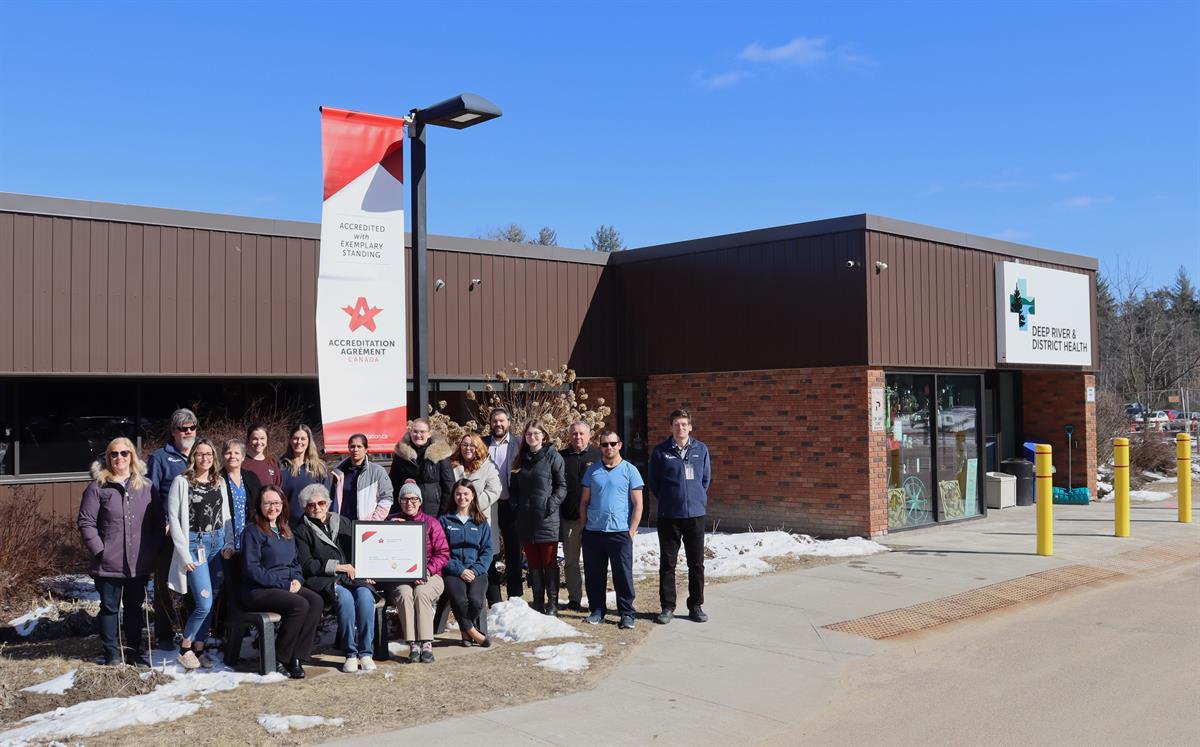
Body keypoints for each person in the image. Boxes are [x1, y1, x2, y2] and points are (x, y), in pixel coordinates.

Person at [77, 437, 159, 666]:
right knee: (110, 608)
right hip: (107, 564)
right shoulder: (97, 488)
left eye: (124, 453)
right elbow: (86, 522)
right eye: (114, 454)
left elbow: (157, 523)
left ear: (132, 456)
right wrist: (99, 551)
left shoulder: (146, 487)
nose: (119, 458)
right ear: (108, 457)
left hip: (138, 563)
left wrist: (150, 552)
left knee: (134, 609)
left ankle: (134, 652)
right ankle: (112, 654)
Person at [293, 484, 378, 673]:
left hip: (351, 576)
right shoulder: (301, 530)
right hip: (323, 579)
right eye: (311, 505)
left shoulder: (343, 522)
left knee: (365, 596)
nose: (317, 508)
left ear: (327, 503)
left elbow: (361, 550)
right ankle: (350, 653)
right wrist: (337, 567)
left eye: (321, 503)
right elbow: (307, 564)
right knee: (345, 599)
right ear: (305, 508)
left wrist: (368, 569)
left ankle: (366, 652)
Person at [241, 485, 323, 679]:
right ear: (259, 505)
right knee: (299, 604)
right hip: (259, 589)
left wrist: (296, 579)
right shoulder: (252, 531)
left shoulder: (285, 529)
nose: (272, 507)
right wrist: (283, 584)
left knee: (316, 601)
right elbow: (252, 568)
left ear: (283, 505)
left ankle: (297, 657)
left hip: (286, 585)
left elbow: (295, 562)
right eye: (267, 503)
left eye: (276, 503)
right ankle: (279, 657)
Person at [166, 438, 234, 668]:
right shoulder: (182, 482)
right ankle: (185, 647)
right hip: (195, 545)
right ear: (193, 457)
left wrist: (229, 542)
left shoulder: (219, 482)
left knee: (211, 600)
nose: (205, 458)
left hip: (217, 545)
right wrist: (184, 554)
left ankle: (200, 647)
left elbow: (226, 515)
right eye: (200, 454)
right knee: (203, 602)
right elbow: (174, 519)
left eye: (209, 454)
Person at [648, 408, 712, 624]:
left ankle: (696, 605)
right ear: (671, 427)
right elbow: (654, 483)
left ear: (690, 427)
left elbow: (705, 479)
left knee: (696, 563)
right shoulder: (660, 452)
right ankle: (667, 607)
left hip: (695, 515)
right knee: (667, 564)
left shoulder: (701, 450)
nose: (680, 428)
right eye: (676, 424)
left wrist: (697, 498)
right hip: (669, 516)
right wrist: (669, 499)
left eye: (684, 424)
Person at [579, 430, 644, 629]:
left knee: (622, 575)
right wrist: (584, 528)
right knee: (594, 574)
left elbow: (638, 504)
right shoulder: (592, 471)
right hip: (594, 533)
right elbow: (584, 502)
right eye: (605, 444)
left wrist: (631, 530)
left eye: (613, 444)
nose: (609, 448)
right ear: (600, 446)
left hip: (620, 533)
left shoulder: (630, 470)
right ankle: (597, 610)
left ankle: (626, 613)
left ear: (620, 445)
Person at [146, 408, 197, 649]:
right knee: (165, 584)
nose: (188, 432)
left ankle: (191, 634)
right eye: (183, 428)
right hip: (169, 533)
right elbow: (152, 494)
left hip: (196, 532)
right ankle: (164, 635)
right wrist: (164, 520)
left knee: (193, 583)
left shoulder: (202, 453)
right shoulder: (160, 457)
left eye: (192, 427)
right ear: (173, 431)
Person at [384, 481, 449, 663]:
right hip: (401, 576)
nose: (409, 503)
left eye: (413, 499)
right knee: (405, 594)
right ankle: (413, 643)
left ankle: (426, 643)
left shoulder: (431, 523)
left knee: (421, 593)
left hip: (430, 574)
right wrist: (390, 528)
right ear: (399, 501)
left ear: (420, 501)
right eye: (404, 499)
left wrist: (427, 571)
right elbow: (382, 550)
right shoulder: (391, 520)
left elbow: (443, 553)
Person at [509, 419, 566, 616]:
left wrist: (550, 504)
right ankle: (538, 601)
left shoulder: (553, 457)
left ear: (543, 435)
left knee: (548, 562)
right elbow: (514, 488)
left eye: (536, 433)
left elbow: (562, 486)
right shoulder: (520, 459)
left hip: (546, 518)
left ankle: (552, 603)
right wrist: (516, 506)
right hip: (526, 519)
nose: (532, 437)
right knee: (533, 563)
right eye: (528, 434)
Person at [439, 479, 493, 647]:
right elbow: (441, 551)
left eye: (465, 494)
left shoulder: (481, 521)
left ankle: (465, 631)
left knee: (476, 601)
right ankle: (474, 633)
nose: (462, 497)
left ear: (472, 496)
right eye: (458, 494)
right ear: (453, 496)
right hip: (453, 571)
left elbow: (487, 550)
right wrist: (459, 570)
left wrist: (475, 570)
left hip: (476, 570)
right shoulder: (444, 521)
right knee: (460, 600)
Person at [450, 431, 502, 601]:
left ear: (479, 447)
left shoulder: (488, 467)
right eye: (464, 444)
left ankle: (495, 604)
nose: (468, 448)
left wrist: (473, 505)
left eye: (472, 445)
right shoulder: (453, 466)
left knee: (487, 561)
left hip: (481, 519)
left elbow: (495, 490)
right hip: (457, 520)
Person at [559, 421, 600, 613]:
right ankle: (574, 599)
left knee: (594, 561)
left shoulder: (599, 456)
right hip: (569, 518)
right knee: (571, 561)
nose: (578, 437)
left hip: (594, 519)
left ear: (589, 435)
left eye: (582, 433)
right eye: (574, 434)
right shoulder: (561, 457)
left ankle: (595, 599)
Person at [483, 407, 522, 600]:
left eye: (501, 421)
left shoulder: (519, 443)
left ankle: (514, 595)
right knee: (489, 549)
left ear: (508, 422)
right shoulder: (482, 444)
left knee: (513, 550)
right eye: (494, 421)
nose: (498, 424)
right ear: (490, 423)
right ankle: (494, 595)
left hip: (511, 504)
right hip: (488, 506)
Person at [388, 418, 454, 518]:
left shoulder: (441, 453)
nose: (418, 435)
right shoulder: (401, 454)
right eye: (415, 431)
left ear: (429, 433)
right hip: (407, 508)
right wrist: (395, 512)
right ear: (410, 432)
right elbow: (393, 485)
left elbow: (449, 485)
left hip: (433, 510)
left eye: (422, 432)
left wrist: (443, 514)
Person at [334, 433, 393, 521]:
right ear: (348, 448)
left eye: (359, 446)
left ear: (366, 449)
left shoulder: (377, 471)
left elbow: (387, 498)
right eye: (352, 446)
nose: (355, 449)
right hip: (342, 524)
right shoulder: (338, 472)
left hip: (366, 525)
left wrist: (374, 521)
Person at [279, 424, 333, 518]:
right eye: (295, 438)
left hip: (312, 525)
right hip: (287, 525)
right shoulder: (281, 467)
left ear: (309, 441)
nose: (299, 442)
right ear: (290, 441)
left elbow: (326, 500)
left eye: (303, 439)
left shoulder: (319, 468)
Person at [220, 438, 261, 553]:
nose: (232, 456)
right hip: (225, 540)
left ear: (243, 457)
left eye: (237, 453)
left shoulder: (252, 478)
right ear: (223, 456)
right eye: (228, 453)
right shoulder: (217, 479)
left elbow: (260, 505)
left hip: (250, 539)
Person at [242, 423, 283, 488]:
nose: (259, 442)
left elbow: (277, 490)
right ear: (248, 440)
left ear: (267, 440)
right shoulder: (241, 462)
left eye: (262, 438)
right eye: (255, 439)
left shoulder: (272, 463)